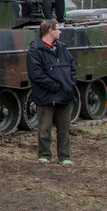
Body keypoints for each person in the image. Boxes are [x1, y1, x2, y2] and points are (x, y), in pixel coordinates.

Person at [27, 19, 77, 166]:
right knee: (44, 128)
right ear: (50, 31)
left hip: (64, 94)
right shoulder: (35, 50)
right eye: (58, 29)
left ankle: (64, 156)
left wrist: (70, 84)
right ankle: (44, 155)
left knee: (64, 129)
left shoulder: (62, 48)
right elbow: (36, 74)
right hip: (47, 95)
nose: (60, 31)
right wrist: (55, 86)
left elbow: (72, 67)